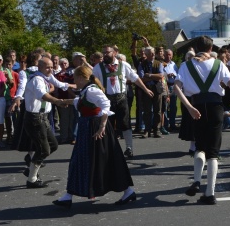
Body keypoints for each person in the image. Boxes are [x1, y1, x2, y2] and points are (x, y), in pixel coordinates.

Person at [175, 36, 230, 205]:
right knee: (213, 152)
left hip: (196, 107)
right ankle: (210, 193)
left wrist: (189, 107)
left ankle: (196, 180)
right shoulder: (218, 64)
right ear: (211, 48)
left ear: (195, 48)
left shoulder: (186, 65)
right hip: (216, 107)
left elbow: (177, 88)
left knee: (200, 147)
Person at [53, 65, 136, 208]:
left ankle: (128, 190)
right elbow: (81, 101)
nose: (74, 81)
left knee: (105, 161)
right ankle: (68, 195)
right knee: (84, 161)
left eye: (75, 78)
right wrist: (62, 101)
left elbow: (105, 104)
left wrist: (102, 126)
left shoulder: (91, 90)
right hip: (88, 128)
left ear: (80, 78)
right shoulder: (86, 90)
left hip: (96, 128)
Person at [92, 44, 154, 158]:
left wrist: (145, 90)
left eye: (107, 52)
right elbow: (92, 84)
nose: (105, 55)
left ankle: (129, 148)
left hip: (121, 99)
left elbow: (135, 78)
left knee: (125, 123)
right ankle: (108, 149)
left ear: (114, 53)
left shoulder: (123, 65)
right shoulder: (97, 68)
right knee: (107, 125)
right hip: (106, 101)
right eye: (104, 53)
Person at [23, 57, 70, 188]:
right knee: (43, 149)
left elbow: (60, 85)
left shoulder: (45, 77)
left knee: (53, 145)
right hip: (35, 118)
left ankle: (31, 167)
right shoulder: (37, 79)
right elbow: (41, 95)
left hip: (43, 117)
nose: (50, 69)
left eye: (51, 67)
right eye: (47, 67)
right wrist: (57, 101)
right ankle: (31, 179)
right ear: (40, 68)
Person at [163, 49, 179, 131]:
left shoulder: (174, 64)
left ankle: (172, 124)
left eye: (170, 55)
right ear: (164, 55)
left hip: (173, 86)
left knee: (173, 106)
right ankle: (165, 124)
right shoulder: (162, 64)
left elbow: (178, 74)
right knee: (165, 106)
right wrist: (167, 75)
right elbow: (161, 75)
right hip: (166, 85)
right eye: (167, 54)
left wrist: (174, 74)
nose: (168, 56)